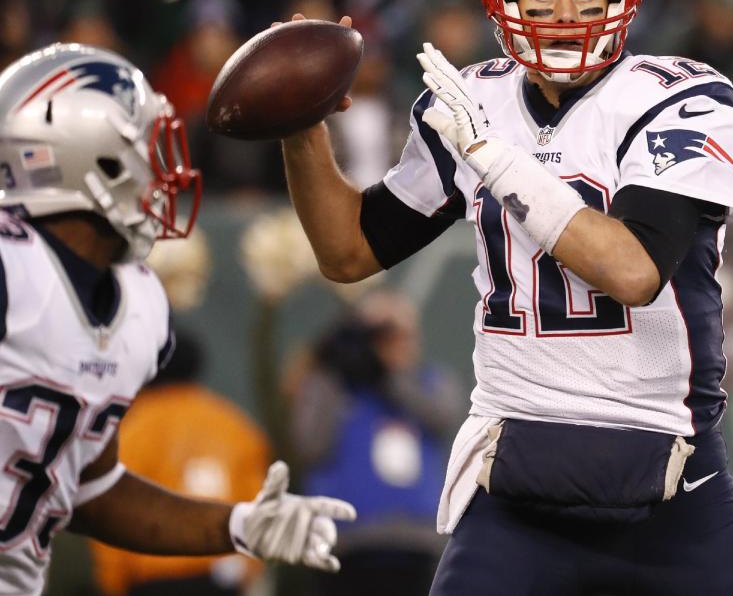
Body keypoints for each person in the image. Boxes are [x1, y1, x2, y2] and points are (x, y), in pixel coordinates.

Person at [281, 0, 733, 595]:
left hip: (676, 488)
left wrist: (495, 159)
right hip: (517, 485)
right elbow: (348, 252)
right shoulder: (468, 101)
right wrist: (300, 124)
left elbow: (635, 270)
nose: (566, 16)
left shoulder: (681, 98)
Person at [0, 43, 355, 595]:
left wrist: (235, 524)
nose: (162, 169)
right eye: (144, 146)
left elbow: (90, 488)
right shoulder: (12, 266)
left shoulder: (135, 304)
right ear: (89, 157)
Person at [291, 291, 462, 596]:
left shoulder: (430, 381)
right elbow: (309, 447)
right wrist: (335, 370)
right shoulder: (332, 385)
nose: (388, 343)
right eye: (377, 334)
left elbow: (442, 415)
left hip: (414, 543)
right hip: (344, 542)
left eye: (395, 332)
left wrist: (388, 373)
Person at [88, 330, 273, 596]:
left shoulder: (131, 432)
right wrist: (249, 569)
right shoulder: (234, 425)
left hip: (151, 578)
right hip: (218, 577)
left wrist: (112, 581)